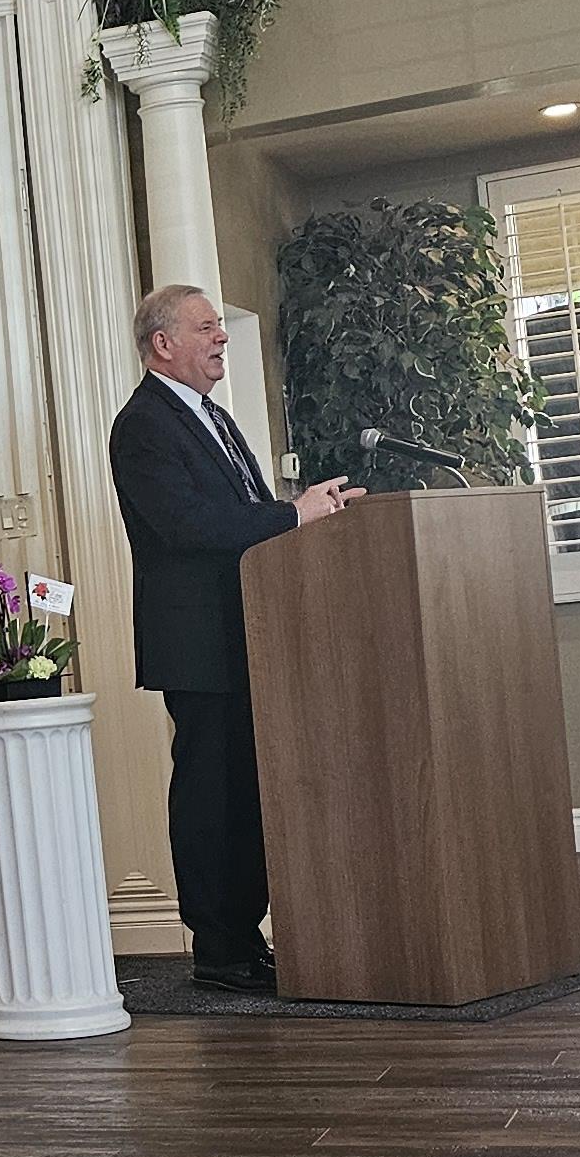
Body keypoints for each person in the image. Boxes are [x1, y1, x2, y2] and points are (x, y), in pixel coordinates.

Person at [108, 283, 358, 992]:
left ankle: (245, 937)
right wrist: (290, 518)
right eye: (206, 327)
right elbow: (188, 528)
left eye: (221, 326)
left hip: (246, 635)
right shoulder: (145, 425)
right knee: (213, 794)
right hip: (199, 645)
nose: (221, 338)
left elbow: (238, 515)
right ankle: (219, 947)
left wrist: (311, 511)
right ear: (164, 344)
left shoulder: (211, 418)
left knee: (245, 791)